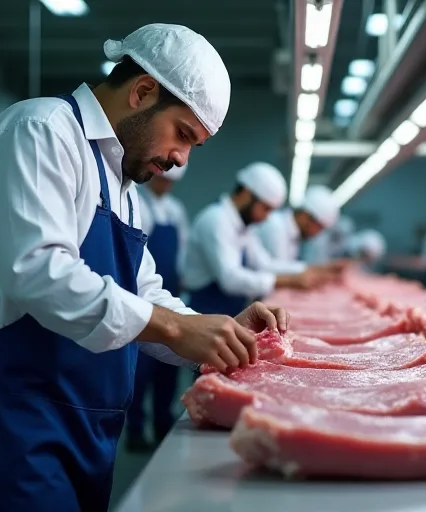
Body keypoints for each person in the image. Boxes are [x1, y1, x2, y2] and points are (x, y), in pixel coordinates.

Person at [0, 24, 287, 511]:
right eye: (182, 134)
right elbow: (38, 272)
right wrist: (175, 328)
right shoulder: (42, 131)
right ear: (142, 92)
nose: (179, 159)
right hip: (19, 414)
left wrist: (210, 331)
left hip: (89, 419)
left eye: (193, 146)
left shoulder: (122, 183)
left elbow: (144, 290)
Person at [183, 162, 322, 316]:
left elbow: (263, 263)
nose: (267, 217)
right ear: (247, 194)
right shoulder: (216, 219)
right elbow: (230, 279)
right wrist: (287, 280)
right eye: (266, 209)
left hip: (226, 312)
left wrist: (305, 270)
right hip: (203, 311)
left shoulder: (244, 227)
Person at [126, 163, 190, 451]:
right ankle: (136, 430)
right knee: (140, 372)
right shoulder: (137, 202)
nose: (165, 185)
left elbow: (183, 250)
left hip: (170, 289)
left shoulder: (177, 210)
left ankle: (163, 424)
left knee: (168, 371)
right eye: (162, 180)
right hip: (143, 296)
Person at [254, 185, 340, 263]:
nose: (317, 233)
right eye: (319, 227)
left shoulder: (293, 235)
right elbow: (280, 272)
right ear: (305, 215)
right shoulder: (275, 227)